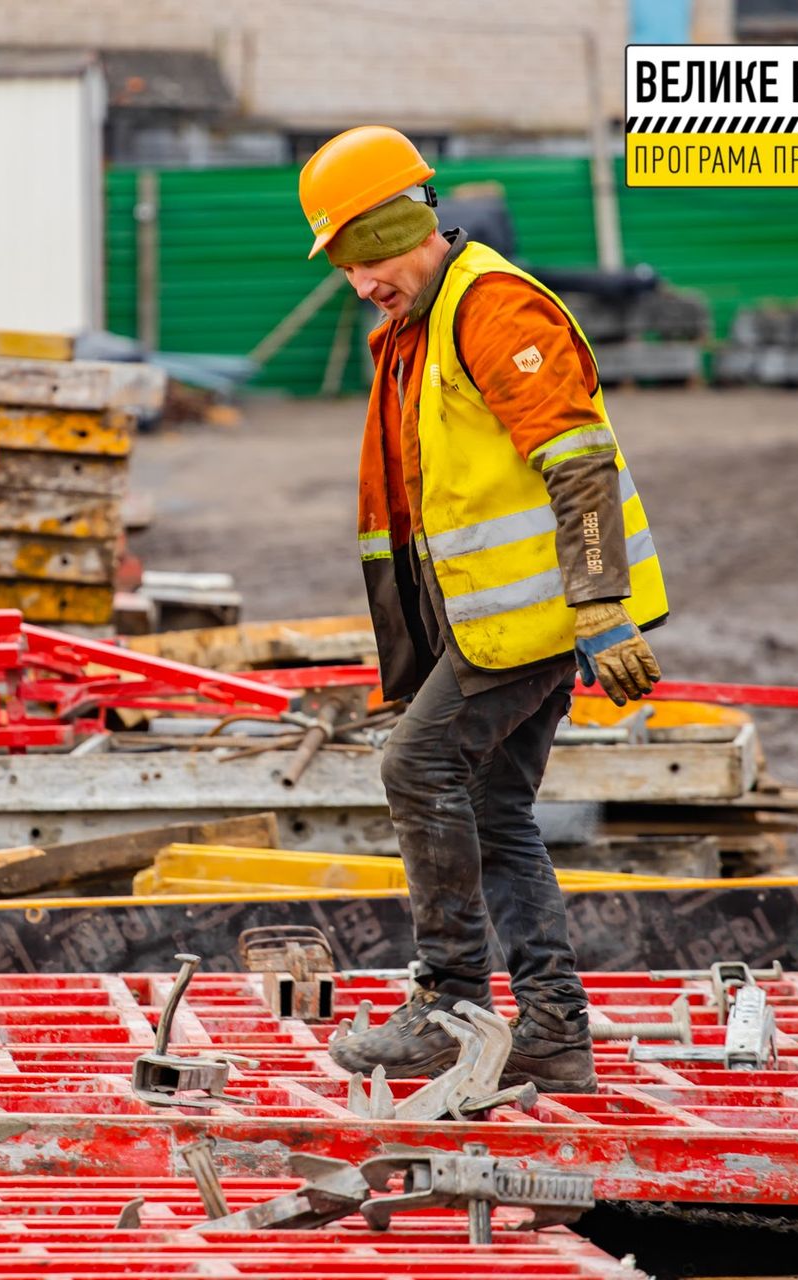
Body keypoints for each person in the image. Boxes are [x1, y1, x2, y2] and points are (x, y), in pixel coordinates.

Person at [300, 126, 669, 1092]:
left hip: (535, 619)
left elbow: (577, 456)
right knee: (498, 808)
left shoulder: (491, 309)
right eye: (347, 267)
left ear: (403, 228)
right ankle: (550, 1031)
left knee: (418, 767)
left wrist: (599, 607)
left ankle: (449, 1007)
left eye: (369, 258)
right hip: (493, 623)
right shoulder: (417, 329)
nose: (364, 283)